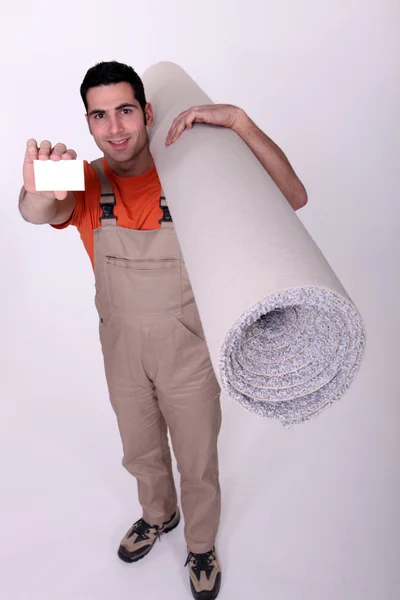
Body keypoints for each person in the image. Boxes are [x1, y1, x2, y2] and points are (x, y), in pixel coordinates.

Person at [19, 61, 308, 600]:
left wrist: (241, 123)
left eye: (125, 110)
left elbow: (292, 198)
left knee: (197, 457)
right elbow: (34, 211)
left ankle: (200, 545)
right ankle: (158, 515)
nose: (115, 127)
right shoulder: (82, 178)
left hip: (188, 349)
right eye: (99, 116)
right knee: (140, 450)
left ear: (147, 112)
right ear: (88, 124)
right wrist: (36, 181)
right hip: (121, 348)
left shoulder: (193, 174)